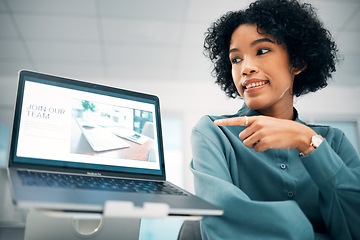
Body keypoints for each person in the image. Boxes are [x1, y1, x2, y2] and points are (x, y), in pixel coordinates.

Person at [190, 0, 360, 239]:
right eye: (236, 59)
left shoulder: (334, 141)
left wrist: (306, 141)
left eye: (261, 51)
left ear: (297, 62)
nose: (245, 68)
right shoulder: (213, 133)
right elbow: (223, 224)